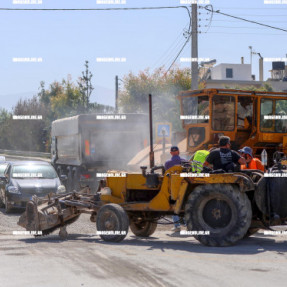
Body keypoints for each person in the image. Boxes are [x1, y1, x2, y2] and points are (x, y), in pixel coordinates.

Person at [164, 146, 186, 232]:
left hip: (172, 188)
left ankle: (177, 226)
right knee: (184, 204)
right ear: (179, 151)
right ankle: (186, 223)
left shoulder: (167, 163)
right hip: (184, 186)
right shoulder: (185, 161)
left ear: (170, 153)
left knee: (174, 205)